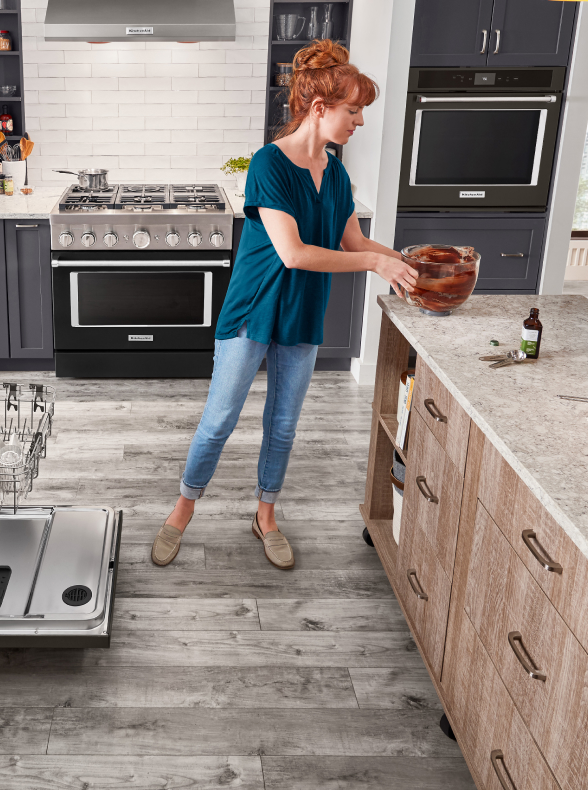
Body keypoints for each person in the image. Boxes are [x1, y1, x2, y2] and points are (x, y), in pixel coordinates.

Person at [152, 39, 417, 570]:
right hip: (252, 309)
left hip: (301, 314)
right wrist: (375, 267)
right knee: (220, 417)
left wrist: (410, 262)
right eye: (353, 109)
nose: (360, 121)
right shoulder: (268, 164)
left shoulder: (338, 175)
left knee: (284, 424)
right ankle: (182, 509)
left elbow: (356, 245)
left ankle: (265, 516)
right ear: (320, 109)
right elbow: (293, 254)